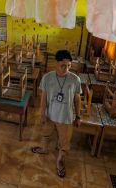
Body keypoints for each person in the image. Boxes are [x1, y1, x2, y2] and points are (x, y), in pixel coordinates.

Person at [31, 50, 81, 178]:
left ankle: (59, 160)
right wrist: (42, 114)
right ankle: (44, 149)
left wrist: (78, 116)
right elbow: (43, 98)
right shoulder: (47, 78)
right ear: (55, 63)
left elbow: (77, 99)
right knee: (45, 133)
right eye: (63, 65)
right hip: (50, 115)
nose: (66, 69)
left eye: (69, 66)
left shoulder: (75, 79)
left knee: (64, 142)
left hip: (66, 117)